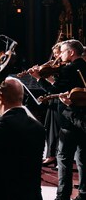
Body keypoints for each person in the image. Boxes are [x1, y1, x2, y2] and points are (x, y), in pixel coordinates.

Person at [30, 39, 86, 200]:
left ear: (71, 52)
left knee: (64, 159)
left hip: (69, 120)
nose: (60, 56)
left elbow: (53, 91)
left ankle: (62, 195)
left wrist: (39, 79)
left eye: (62, 52)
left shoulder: (69, 69)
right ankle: (83, 194)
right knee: (82, 158)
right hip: (84, 120)